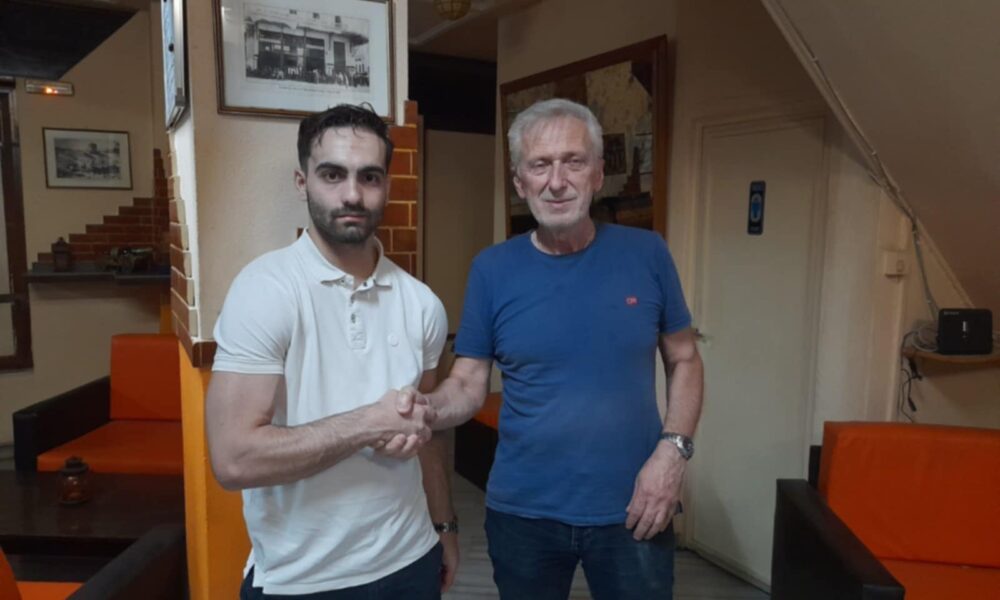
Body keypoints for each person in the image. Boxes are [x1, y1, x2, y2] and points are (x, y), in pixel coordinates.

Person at [416, 98, 704, 599]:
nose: (557, 181)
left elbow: (684, 359)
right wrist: (425, 409)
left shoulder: (647, 253)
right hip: (524, 512)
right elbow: (467, 382)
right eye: (540, 165)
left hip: (636, 503)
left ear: (598, 174)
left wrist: (673, 453)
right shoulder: (492, 269)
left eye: (573, 161)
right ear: (519, 181)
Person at [205, 104, 459, 599]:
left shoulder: (422, 304)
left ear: (387, 185)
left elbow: (427, 435)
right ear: (302, 182)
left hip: (410, 560)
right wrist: (369, 423)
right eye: (332, 174)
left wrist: (444, 525)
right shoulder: (264, 290)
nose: (352, 194)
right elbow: (233, 459)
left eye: (369, 177)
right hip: (300, 578)